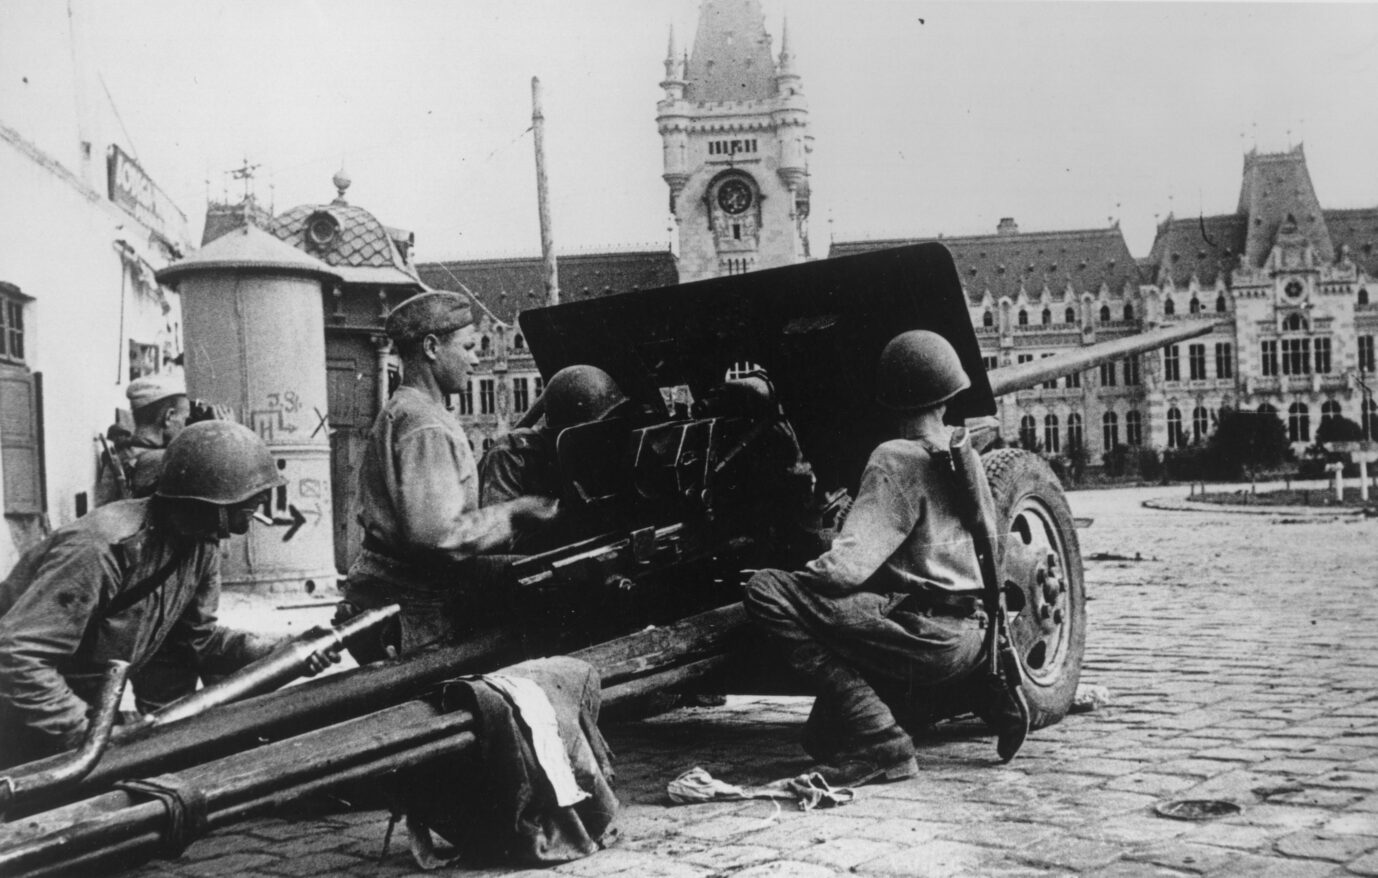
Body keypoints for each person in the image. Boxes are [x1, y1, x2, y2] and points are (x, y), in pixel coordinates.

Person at [743, 329, 1028, 787]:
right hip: (976, 640)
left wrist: (798, 580)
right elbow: (990, 549)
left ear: (892, 401)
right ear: (949, 393)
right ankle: (979, 691)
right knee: (823, 740)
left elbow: (845, 570)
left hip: (927, 640)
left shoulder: (894, 458)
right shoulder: (965, 452)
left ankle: (883, 743)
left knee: (767, 591)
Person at [0, 421, 338, 769]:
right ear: (216, 503)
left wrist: (285, 649)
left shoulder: (199, 546)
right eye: (251, 502)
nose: (255, 514)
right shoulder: (102, 548)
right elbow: (19, 654)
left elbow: (196, 641)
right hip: (21, 715)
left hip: (64, 709)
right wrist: (84, 734)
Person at [338, 291, 558, 659]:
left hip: (387, 591)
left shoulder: (408, 409)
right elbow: (437, 537)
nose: (476, 358)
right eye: (468, 346)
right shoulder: (425, 423)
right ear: (431, 347)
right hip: (412, 608)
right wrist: (516, 511)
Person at [478, 365, 631, 551]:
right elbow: (499, 542)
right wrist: (566, 521)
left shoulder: (588, 455)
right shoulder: (511, 455)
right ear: (570, 430)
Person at [94, 374, 234, 505]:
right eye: (185, 419)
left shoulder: (126, 451)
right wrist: (226, 433)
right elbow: (225, 487)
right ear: (169, 416)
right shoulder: (164, 461)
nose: (185, 426)